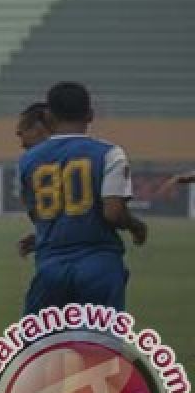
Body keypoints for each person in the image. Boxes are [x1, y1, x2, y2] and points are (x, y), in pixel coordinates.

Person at [18, 81, 147, 314]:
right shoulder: (110, 154)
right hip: (99, 264)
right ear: (90, 114)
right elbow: (113, 212)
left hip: (51, 267)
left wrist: (45, 236)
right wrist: (137, 226)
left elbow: (37, 213)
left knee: (42, 345)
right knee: (100, 345)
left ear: (49, 117)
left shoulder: (28, 160)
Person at [15, 102, 55, 258]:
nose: (22, 143)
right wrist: (42, 238)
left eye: (22, 133)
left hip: (56, 261)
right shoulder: (85, 156)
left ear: (38, 128)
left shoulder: (30, 162)